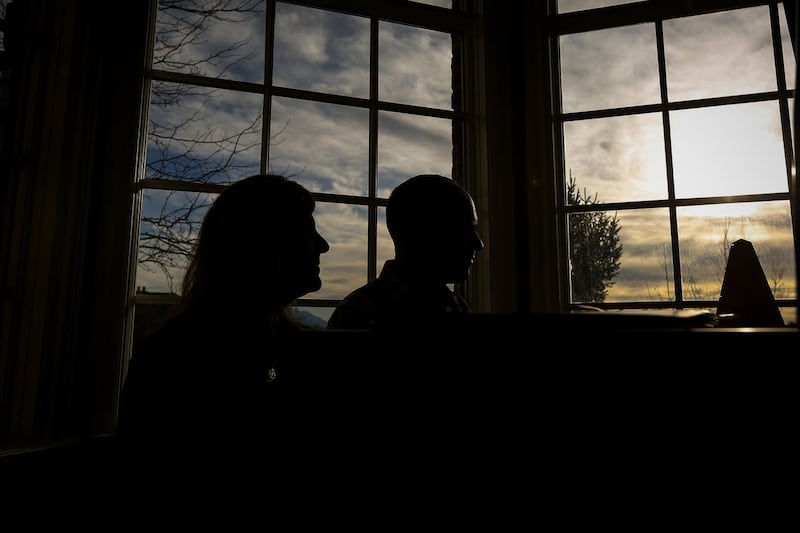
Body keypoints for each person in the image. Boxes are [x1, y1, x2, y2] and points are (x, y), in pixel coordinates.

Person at [114, 173, 330, 475]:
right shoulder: (174, 360)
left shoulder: (172, 352)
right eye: (307, 230)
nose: (323, 245)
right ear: (264, 244)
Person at [326, 173, 484, 331]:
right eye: (461, 229)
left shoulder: (458, 306)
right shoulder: (357, 314)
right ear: (419, 232)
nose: (478, 244)